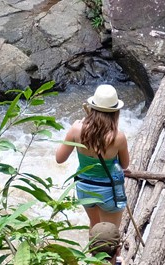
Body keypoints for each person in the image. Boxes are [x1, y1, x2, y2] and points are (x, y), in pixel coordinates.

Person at [55, 84, 130, 229]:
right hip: (108, 190)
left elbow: (60, 158)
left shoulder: (76, 129)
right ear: (115, 112)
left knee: (94, 227)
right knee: (110, 234)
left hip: (84, 188)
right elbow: (125, 165)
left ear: (92, 108)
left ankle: (91, 252)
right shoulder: (118, 137)